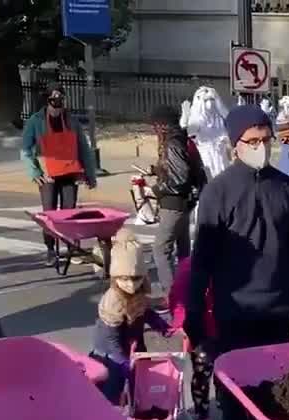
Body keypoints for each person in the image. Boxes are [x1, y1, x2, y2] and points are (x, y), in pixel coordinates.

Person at [187, 104, 289, 420]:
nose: (261, 146)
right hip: (235, 312)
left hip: (277, 311)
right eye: (252, 141)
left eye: (265, 139)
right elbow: (202, 261)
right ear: (234, 144)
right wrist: (194, 316)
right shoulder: (217, 192)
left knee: (271, 390)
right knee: (237, 393)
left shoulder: (287, 187)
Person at [88, 229, 173, 403]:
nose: (131, 285)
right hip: (110, 353)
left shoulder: (140, 290)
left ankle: (139, 414)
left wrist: (157, 323)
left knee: (141, 385)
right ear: (115, 276)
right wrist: (123, 362)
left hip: (135, 344)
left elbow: (143, 310)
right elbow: (111, 340)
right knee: (111, 392)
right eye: (124, 279)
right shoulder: (112, 301)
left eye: (135, 279)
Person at [21, 85, 98, 265]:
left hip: (69, 172)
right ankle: (50, 249)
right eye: (54, 100)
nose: (58, 104)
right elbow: (25, 149)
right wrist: (35, 172)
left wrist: (89, 174)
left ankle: (72, 248)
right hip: (48, 174)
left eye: (60, 99)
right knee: (50, 214)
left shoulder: (71, 120)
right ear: (47, 101)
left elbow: (83, 149)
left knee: (69, 212)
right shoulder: (36, 121)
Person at [148, 104, 207, 296]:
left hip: (173, 203)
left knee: (160, 249)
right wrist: (158, 171)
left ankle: (173, 295)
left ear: (162, 125)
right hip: (186, 202)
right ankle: (187, 291)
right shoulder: (183, 140)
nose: (153, 130)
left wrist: (156, 188)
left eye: (155, 125)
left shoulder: (172, 144)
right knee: (182, 251)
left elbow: (180, 177)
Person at [168, 256, 216, 420]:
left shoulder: (187, 264)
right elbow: (178, 296)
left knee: (206, 371)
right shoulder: (193, 266)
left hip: (206, 326)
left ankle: (205, 412)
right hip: (206, 328)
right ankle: (202, 416)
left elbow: (175, 296)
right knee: (204, 371)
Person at [183, 86, 232, 181]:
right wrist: (185, 116)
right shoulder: (198, 118)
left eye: (212, 99)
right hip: (207, 156)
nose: (209, 103)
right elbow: (189, 131)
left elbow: (229, 118)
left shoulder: (219, 118)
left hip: (221, 155)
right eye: (206, 100)